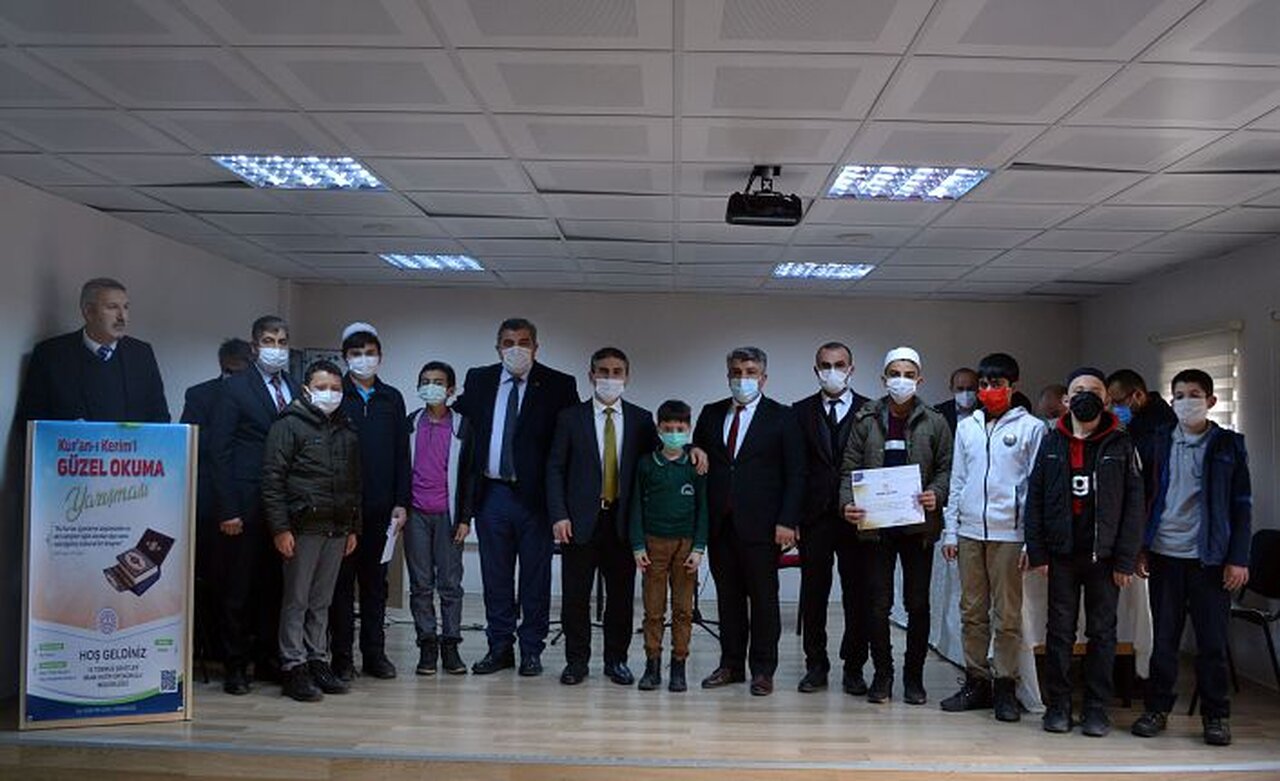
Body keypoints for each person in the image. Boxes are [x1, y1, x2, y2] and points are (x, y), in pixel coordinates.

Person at [1131, 369, 1252, 747]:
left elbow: (1242, 505)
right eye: (1180, 395)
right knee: (1164, 640)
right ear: (1171, 401)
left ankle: (1216, 716)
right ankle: (1157, 709)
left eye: (1195, 395)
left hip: (1210, 560)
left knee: (1212, 643)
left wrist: (1239, 558)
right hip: (1164, 554)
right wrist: (1140, 547)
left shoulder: (1228, 445)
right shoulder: (1158, 440)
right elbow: (1143, 497)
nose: (1187, 402)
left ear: (1211, 401)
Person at [452, 318, 578, 677]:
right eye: (508, 343)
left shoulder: (559, 384)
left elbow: (571, 441)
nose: (516, 349)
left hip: (536, 499)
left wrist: (563, 505)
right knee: (496, 577)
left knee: (535, 578)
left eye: (524, 342)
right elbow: (456, 421)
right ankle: (499, 647)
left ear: (536, 347)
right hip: (491, 494)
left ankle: (531, 649)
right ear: (498, 348)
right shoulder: (479, 379)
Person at [1025, 367, 1145, 737]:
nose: (1085, 396)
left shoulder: (1121, 443)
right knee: (1060, 632)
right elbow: (1035, 499)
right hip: (1061, 555)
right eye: (1078, 391)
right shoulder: (1051, 440)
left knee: (1102, 633)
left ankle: (1096, 708)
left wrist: (1126, 558)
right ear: (1066, 399)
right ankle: (1059, 706)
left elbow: (1134, 506)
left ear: (1106, 399)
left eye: (1093, 390)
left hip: (1104, 558)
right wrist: (1038, 551)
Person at [839, 347, 951, 705]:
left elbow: (947, 468)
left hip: (918, 527)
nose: (901, 380)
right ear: (883, 378)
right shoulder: (866, 418)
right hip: (876, 526)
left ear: (920, 379)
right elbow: (849, 469)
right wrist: (847, 504)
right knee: (877, 603)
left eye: (908, 374)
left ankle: (913, 678)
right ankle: (883, 675)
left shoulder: (935, 421)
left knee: (917, 604)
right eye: (894, 374)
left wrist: (936, 493)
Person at [693, 346, 805, 697]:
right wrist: (694, 450)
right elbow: (699, 450)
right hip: (721, 524)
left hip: (764, 525)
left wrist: (787, 520)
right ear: (728, 375)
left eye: (751, 372)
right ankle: (730, 665)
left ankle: (763, 670)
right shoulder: (711, 413)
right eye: (737, 372)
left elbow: (796, 474)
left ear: (763, 378)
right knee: (728, 599)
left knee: (764, 600)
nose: (743, 378)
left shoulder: (783, 417)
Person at [940, 352, 1045, 721]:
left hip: (1010, 534)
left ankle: (1005, 685)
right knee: (971, 611)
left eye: (995, 384)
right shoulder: (967, 427)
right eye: (983, 384)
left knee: (1007, 616)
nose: (987, 390)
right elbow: (957, 481)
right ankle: (976, 681)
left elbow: (1036, 489)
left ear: (1012, 387)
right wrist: (950, 531)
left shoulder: (1032, 428)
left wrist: (1032, 540)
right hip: (969, 532)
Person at [546, 347, 658, 687]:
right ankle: (576, 662)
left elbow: (658, 459)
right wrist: (559, 515)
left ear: (627, 376)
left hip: (622, 523)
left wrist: (691, 450)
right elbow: (555, 468)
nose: (610, 378)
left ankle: (616, 660)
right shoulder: (570, 418)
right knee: (575, 597)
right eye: (603, 371)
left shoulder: (641, 419)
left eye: (617, 372)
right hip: (579, 522)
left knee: (621, 598)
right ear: (591, 375)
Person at [207, 315, 299, 694]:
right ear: (254, 345)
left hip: (285, 507)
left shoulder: (295, 387)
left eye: (282, 341)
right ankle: (235, 665)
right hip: (244, 504)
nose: (276, 348)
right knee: (239, 589)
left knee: (274, 587)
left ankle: (268, 659)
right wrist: (228, 508)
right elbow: (219, 451)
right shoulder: (235, 388)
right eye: (269, 341)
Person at [261, 359, 362, 703]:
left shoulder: (347, 429)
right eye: (322, 387)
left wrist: (353, 527)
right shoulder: (288, 425)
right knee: (297, 599)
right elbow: (272, 480)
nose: (329, 393)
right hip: (302, 527)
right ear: (306, 390)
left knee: (322, 601)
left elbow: (354, 483)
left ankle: (317, 659)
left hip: (337, 527)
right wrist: (280, 528)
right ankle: (293, 665)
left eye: (335, 388)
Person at [330, 323, 411, 681]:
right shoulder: (335, 395)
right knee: (340, 587)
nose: (364, 359)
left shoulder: (391, 398)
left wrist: (401, 501)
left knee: (376, 586)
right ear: (345, 358)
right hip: (342, 511)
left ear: (380, 356)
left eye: (370, 353)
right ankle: (341, 658)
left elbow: (402, 454)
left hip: (382, 510)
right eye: (356, 353)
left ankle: (375, 655)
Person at [794, 342, 872, 695]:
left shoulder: (870, 410)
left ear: (851, 369)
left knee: (858, 595)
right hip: (815, 517)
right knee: (814, 594)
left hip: (858, 516)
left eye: (839, 365)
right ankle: (816, 664)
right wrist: (793, 518)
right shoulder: (799, 411)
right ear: (816, 370)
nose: (832, 371)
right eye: (825, 365)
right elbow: (794, 469)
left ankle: (854, 667)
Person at [180, 338, 253, 663]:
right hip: (210, 504)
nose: (233, 378)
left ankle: (245, 648)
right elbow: (191, 441)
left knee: (248, 581)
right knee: (213, 577)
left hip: (250, 498)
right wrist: (228, 435)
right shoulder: (200, 395)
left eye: (240, 373)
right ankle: (210, 647)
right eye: (228, 372)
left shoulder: (259, 396)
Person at [630, 400, 708, 693]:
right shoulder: (646, 464)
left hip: (686, 547)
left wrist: (699, 547)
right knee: (653, 610)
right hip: (653, 545)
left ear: (689, 429)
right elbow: (635, 508)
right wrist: (638, 545)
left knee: (683, 610)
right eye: (668, 428)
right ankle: (652, 666)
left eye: (680, 428)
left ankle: (679, 666)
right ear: (658, 429)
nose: (674, 433)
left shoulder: (695, 466)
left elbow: (703, 510)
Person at [19, 277, 169, 424]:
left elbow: (160, 418)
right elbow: (30, 422)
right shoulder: (50, 355)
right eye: (112, 307)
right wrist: (68, 431)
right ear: (89, 312)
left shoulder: (141, 354)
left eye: (125, 307)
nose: (122, 317)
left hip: (134, 441)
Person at [404, 361, 471, 676]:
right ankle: (427, 644)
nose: (431, 387)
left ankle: (451, 645)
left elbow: (470, 476)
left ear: (451, 389)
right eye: (425, 381)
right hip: (416, 514)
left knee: (450, 584)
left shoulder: (463, 426)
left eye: (438, 382)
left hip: (449, 516)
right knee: (420, 584)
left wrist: (465, 518)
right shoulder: (410, 423)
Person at [1106, 369, 1177, 508]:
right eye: (1110, 403)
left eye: (1117, 402)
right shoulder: (1131, 422)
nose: (1113, 409)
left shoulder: (1163, 426)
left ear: (1138, 395)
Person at [935, 367, 979, 434]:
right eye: (960, 389)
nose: (965, 393)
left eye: (970, 389)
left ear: (978, 389)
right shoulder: (939, 412)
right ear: (952, 389)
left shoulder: (988, 412)